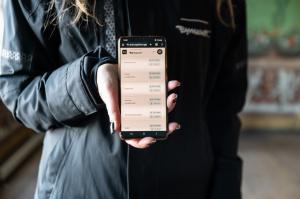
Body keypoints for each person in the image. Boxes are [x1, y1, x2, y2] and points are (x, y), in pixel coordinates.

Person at [0, 0, 247, 198]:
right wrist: (87, 80)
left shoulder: (223, 4)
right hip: (78, 186)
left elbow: (224, 108)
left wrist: (227, 188)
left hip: (191, 184)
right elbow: (19, 93)